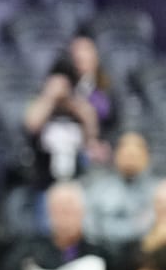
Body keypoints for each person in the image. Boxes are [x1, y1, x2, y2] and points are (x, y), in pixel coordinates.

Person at [25, 34, 119, 185]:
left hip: (80, 174)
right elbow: (31, 123)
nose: (80, 57)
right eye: (75, 53)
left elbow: (92, 129)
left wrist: (71, 102)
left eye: (86, 51)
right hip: (45, 174)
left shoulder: (91, 96)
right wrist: (50, 95)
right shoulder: (45, 95)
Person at [83, 131, 156, 248]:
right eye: (126, 153)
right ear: (116, 155)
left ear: (147, 157)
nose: (130, 158)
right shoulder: (99, 188)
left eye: (136, 154)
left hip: (144, 252)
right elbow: (89, 224)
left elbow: (151, 225)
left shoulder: (157, 192)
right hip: (104, 249)